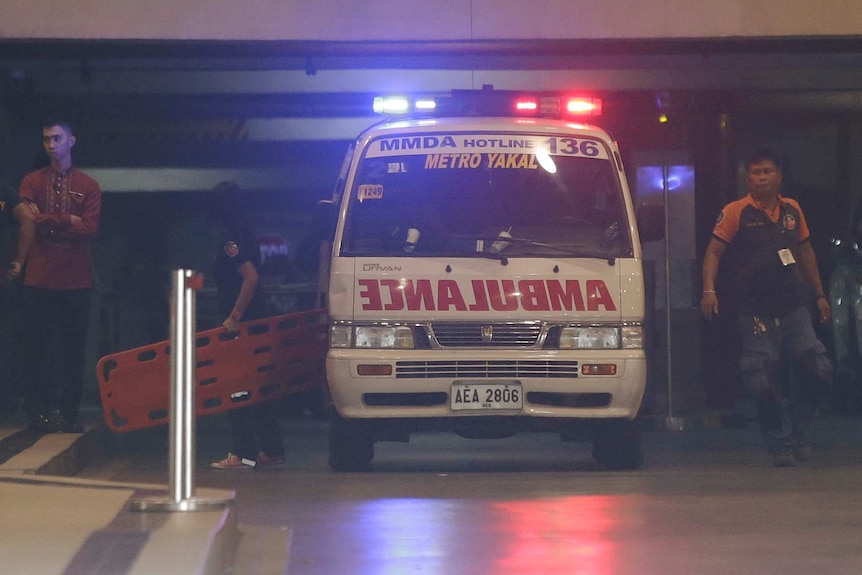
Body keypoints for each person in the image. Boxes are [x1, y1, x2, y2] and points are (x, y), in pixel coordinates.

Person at [700, 149, 832, 467]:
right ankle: (779, 443)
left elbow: (806, 251)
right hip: (755, 310)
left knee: (818, 370)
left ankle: (799, 431)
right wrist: (709, 290)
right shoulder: (736, 212)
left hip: (793, 306)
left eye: (767, 172)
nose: (761, 177)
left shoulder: (792, 210)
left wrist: (819, 295)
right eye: (756, 173)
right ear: (748, 179)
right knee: (761, 378)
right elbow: (714, 252)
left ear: (779, 176)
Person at [18, 118, 101, 434]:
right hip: (38, 278)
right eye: (46, 140)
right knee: (35, 348)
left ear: (71, 141)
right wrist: (69, 218)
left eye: (56, 139)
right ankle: (37, 412)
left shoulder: (88, 185)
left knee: (73, 349)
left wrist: (50, 220)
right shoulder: (31, 181)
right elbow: (29, 220)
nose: (51, 145)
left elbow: (91, 228)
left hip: (76, 280)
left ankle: (69, 413)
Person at [208, 182, 286, 470]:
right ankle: (271, 450)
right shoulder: (245, 231)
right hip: (255, 322)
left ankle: (242, 453)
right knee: (259, 387)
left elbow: (249, 277)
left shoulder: (231, 239)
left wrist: (234, 317)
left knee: (236, 387)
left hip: (241, 325)